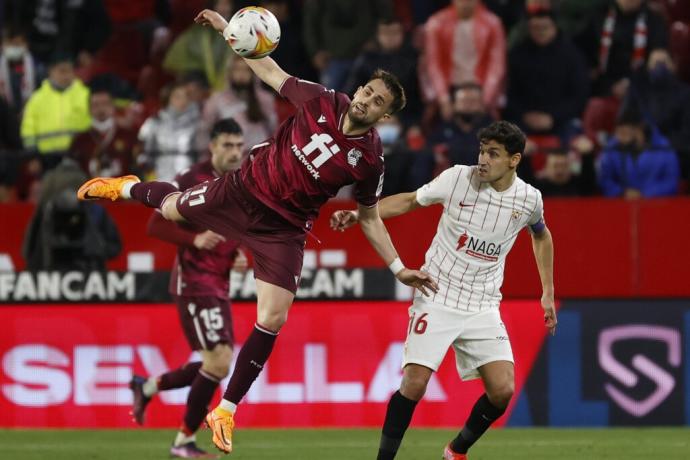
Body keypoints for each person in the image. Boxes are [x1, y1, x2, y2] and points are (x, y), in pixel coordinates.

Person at [77, 7, 438, 455]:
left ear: (385, 116)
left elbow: (369, 216)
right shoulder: (322, 99)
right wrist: (230, 30)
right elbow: (269, 68)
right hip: (243, 191)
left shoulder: (369, 162)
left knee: (273, 317)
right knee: (170, 209)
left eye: (378, 101)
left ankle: (225, 410)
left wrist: (400, 267)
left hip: (283, 230)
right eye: (366, 91)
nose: (366, 100)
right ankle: (126, 186)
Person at [331, 120, 557, 460]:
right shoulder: (457, 179)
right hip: (437, 292)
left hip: (483, 303)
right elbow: (409, 201)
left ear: (514, 159)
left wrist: (547, 292)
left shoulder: (528, 199)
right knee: (415, 384)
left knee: (502, 390)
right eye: (482, 151)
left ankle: (456, 450)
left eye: (493, 154)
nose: (483, 159)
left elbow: (541, 235)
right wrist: (361, 213)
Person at [128, 118, 247, 459]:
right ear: (211, 147)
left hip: (218, 283)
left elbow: (234, 230)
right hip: (194, 283)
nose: (235, 152)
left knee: (216, 362)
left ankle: (147, 386)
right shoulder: (191, 180)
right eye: (227, 145)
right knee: (219, 361)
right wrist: (193, 238)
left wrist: (237, 254)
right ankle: (182, 443)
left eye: (239, 145)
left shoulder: (241, 183)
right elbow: (155, 225)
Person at [598, 105, 679, 198]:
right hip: (621, 204)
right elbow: (605, 179)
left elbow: (671, 183)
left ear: (639, 130)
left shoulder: (663, 148)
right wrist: (622, 192)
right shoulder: (612, 148)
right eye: (617, 132)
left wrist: (644, 194)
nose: (619, 138)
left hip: (656, 205)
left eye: (624, 133)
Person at [71, 89, 140, 178]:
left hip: (123, 190)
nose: (101, 109)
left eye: (105, 104)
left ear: (113, 107)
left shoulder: (129, 136)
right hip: (91, 190)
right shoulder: (80, 140)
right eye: (95, 105)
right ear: (89, 109)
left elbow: (139, 167)